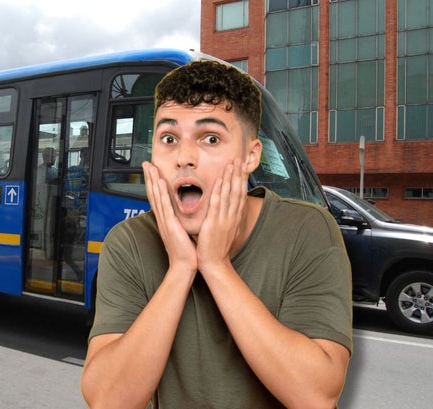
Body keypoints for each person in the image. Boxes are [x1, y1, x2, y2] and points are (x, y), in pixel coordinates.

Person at [80, 60, 352, 408]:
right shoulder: (129, 242)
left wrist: (216, 265)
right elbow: (107, 401)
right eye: (168, 139)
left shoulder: (306, 230)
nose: (184, 158)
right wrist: (181, 268)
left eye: (210, 138)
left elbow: (315, 396)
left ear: (251, 156)